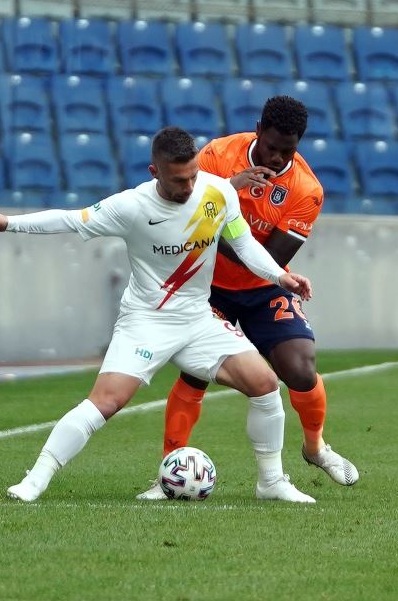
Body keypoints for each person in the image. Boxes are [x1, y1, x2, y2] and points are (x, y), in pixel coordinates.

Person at [0, 126, 316, 503]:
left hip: (198, 320)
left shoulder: (218, 191)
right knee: (106, 402)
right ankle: (36, 478)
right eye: (179, 180)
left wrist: (280, 276)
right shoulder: (130, 207)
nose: (189, 186)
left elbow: (244, 244)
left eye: (194, 175)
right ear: (154, 172)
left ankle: (271, 482)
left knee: (264, 383)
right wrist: (9, 223)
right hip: (146, 322)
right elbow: (69, 219)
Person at [137, 97, 358, 500]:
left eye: (286, 150)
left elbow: (271, 259)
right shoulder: (219, 156)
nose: (275, 157)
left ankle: (314, 448)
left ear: (299, 144)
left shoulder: (306, 190)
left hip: (262, 288)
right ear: (258, 128)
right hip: (207, 287)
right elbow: (185, 217)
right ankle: (166, 475)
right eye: (270, 145)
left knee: (301, 368)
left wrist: (220, 220)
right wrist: (229, 191)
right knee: (195, 373)